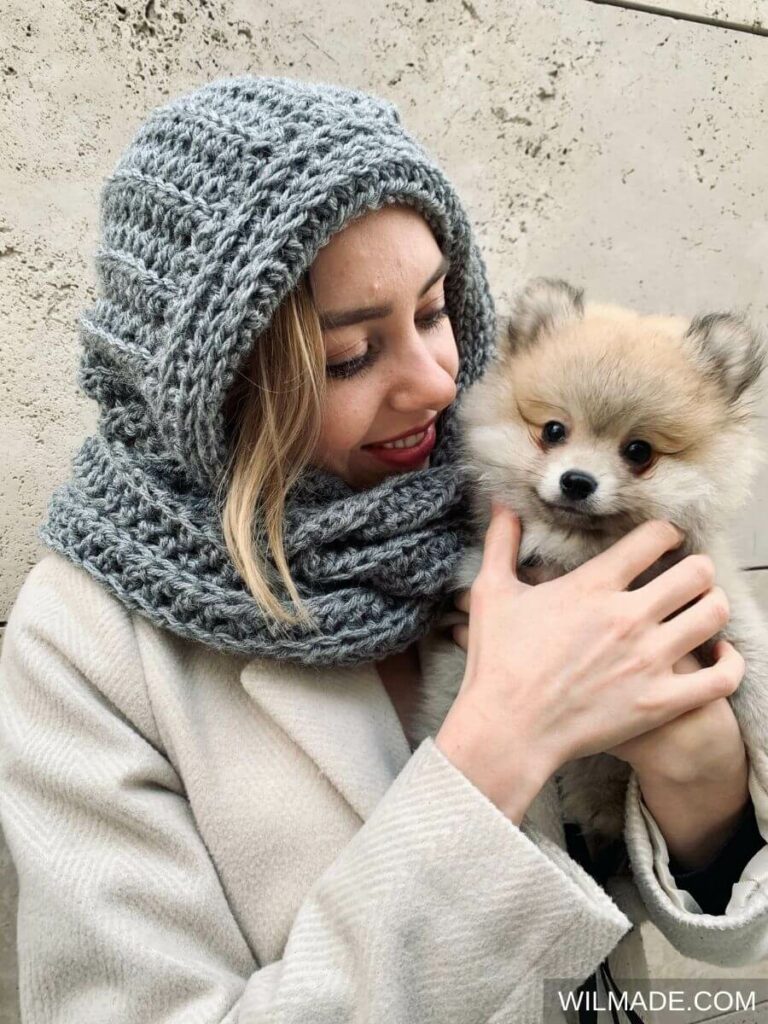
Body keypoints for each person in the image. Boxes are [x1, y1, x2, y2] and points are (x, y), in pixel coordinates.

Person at [1, 74, 768, 1024]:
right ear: (207, 387)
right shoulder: (82, 644)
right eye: (350, 356)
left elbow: (728, 935)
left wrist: (699, 779)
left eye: (437, 308)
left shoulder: (508, 502)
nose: (438, 379)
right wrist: (498, 748)